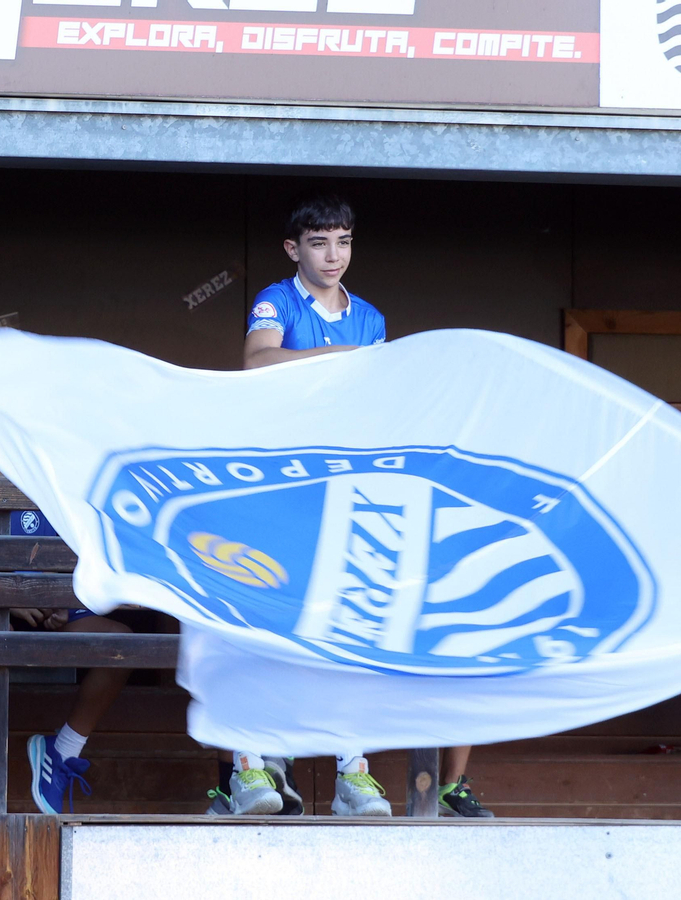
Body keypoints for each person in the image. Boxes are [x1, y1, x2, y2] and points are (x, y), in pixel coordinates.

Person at [224, 194, 493, 817]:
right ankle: (249, 767)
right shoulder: (276, 299)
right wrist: (343, 360)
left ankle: (352, 769)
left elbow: (382, 396)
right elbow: (257, 361)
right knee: (265, 621)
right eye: (319, 242)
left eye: (343, 241)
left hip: (345, 489)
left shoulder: (369, 315)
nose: (333, 254)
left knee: (351, 624)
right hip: (280, 488)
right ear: (294, 249)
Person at [0, 434, 134, 815]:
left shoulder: (37, 489)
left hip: (39, 610)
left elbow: (60, 562)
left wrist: (58, 603)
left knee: (121, 643)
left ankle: (62, 752)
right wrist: (7, 598)